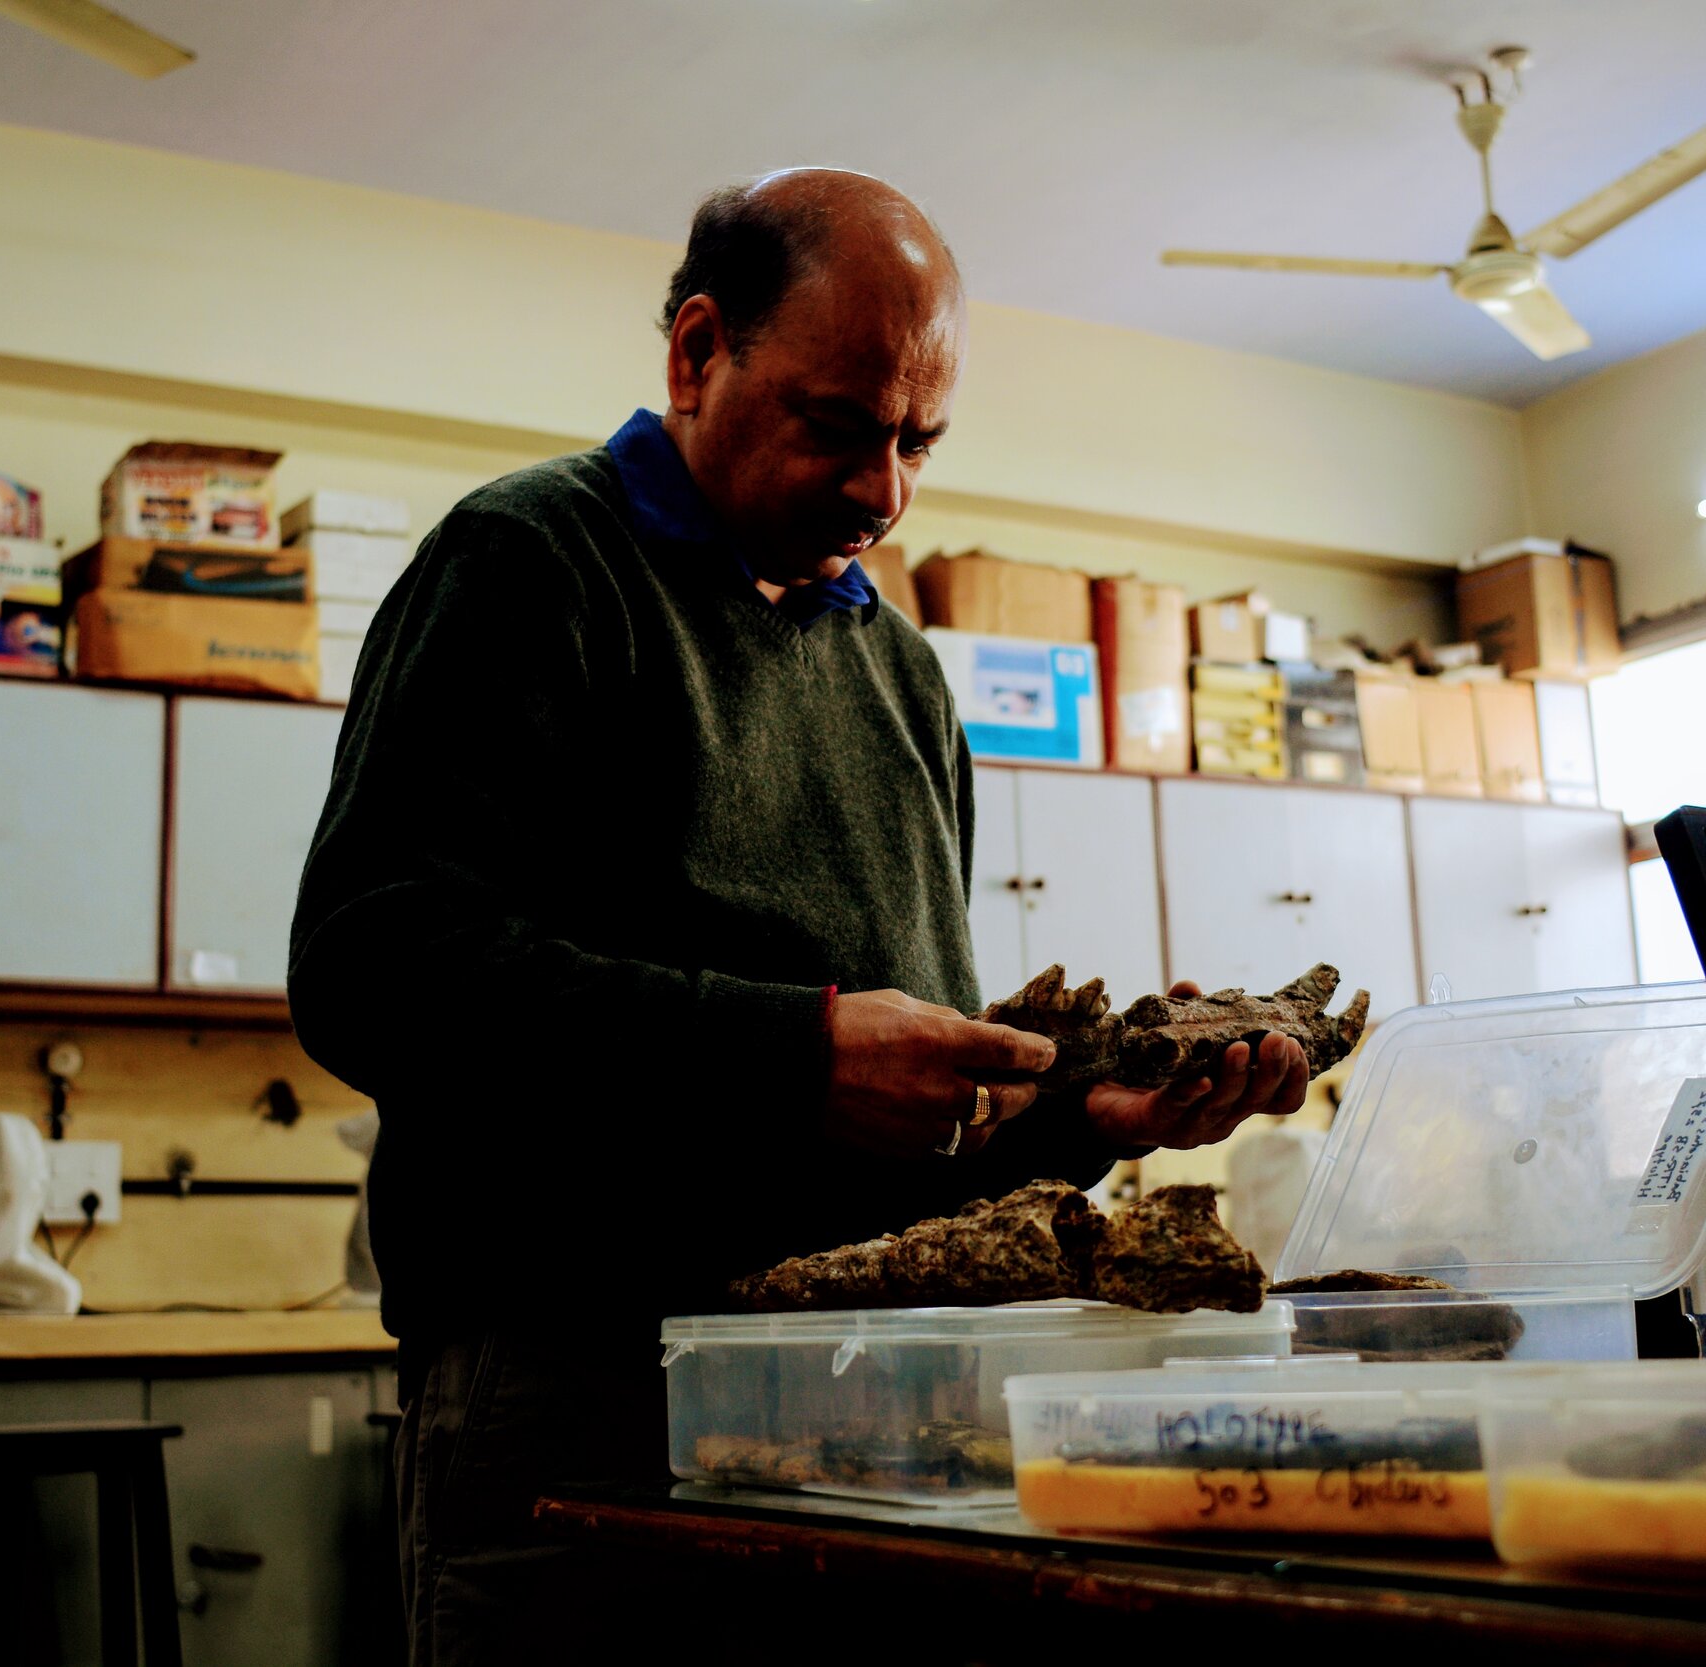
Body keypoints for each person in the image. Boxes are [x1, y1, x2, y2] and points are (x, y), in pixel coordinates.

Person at [290, 168, 1309, 1665]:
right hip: (581, 1400)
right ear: (698, 355)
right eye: (839, 426)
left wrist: (1083, 1114)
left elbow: (914, 1140)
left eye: (918, 442)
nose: (884, 490)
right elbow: (373, 967)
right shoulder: (529, 563)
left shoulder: (900, 675)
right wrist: (796, 1050)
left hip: (874, 1402)